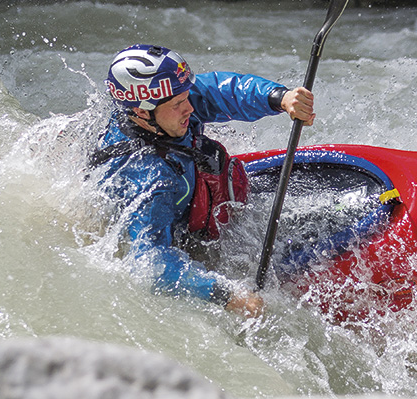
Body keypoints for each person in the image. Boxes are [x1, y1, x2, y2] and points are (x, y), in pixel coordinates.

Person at [89, 44, 315, 318]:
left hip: (188, 195)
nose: (189, 107)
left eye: (185, 97)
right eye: (178, 104)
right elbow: (150, 263)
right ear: (141, 113)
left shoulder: (164, 104)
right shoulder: (150, 181)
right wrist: (226, 294)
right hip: (179, 238)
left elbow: (223, 90)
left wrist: (280, 97)